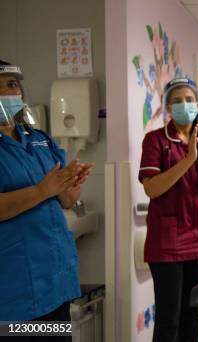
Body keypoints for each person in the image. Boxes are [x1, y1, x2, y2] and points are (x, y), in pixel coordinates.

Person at [0, 60, 93, 339]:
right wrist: (43, 190)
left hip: (54, 280)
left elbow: (65, 200)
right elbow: (44, 191)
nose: (7, 93)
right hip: (14, 290)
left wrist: (70, 184)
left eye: (12, 85)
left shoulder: (38, 139)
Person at [138, 77, 198, 342]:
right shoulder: (155, 141)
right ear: (167, 108)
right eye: (177, 101)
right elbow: (152, 189)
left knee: (193, 314)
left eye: (189, 100)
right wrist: (188, 160)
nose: (184, 105)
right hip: (168, 242)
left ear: (197, 104)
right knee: (169, 317)